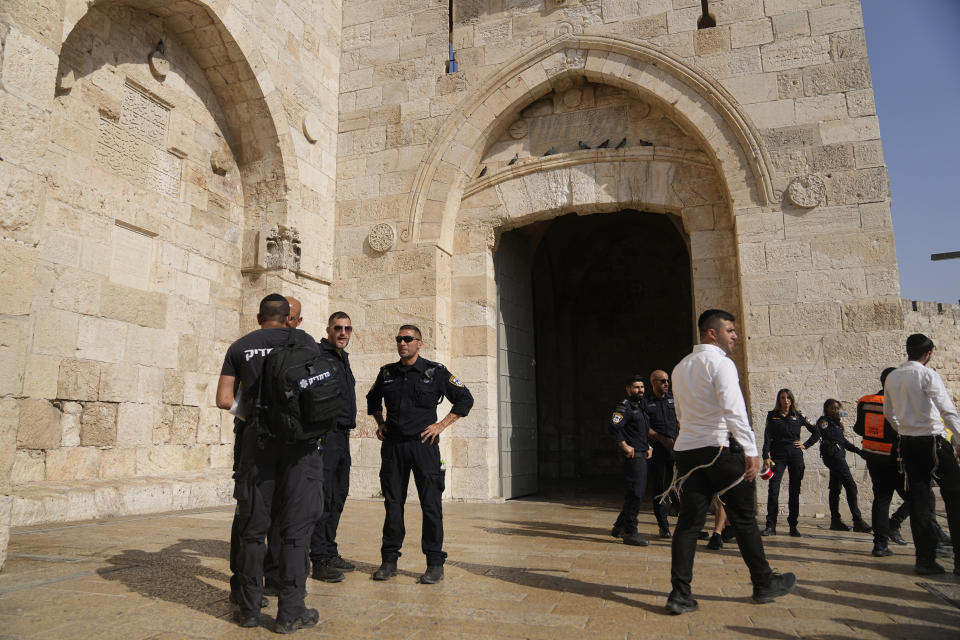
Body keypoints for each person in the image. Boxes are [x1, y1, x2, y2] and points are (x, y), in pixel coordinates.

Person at [664, 309, 795, 614]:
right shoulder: (721, 364)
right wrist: (751, 450)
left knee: (688, 524)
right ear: (713, 333)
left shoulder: (680, 367)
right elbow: (734, 410)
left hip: (688, 451)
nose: (735, 335)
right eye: (730, 330)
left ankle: (679, 593)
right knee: (745, 518)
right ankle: (763, 583)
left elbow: (680, 413)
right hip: (720, 450)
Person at [216, 294, 324, 633]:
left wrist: (255, 417)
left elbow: (222, 399)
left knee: (252, 529)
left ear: (259, 315)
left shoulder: (240, 347)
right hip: (300, 448)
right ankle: (291, 612)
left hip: (257, 445)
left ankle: (248, 610)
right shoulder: (305, 342)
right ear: (289, 317)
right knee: (295, 530)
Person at [367, 324, 474, 584]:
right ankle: (389, 561)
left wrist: (440, 425)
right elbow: (372, 400)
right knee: (393, 504)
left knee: (431, 506)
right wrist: (380, 423)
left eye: (408, 339)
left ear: (419, 343)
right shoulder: (387, 373)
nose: (403, 343)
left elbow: (465, 399)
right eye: (399, 339)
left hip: (424, 447)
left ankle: (435, 563)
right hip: (393, 448)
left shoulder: (435, 372)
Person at [883, 333, 960, 575]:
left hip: (908, 443)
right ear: (927, 354)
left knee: (919, 502)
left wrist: (903, 429)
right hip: (933, 442)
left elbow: (889, 413)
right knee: (955, 499)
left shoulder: (893, 377)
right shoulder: (927, 374)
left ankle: (925, 560)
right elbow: (947, 410)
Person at [310, 311, 358, 582]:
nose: (343, 333)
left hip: (343, 436)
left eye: (347, 329)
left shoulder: (342, 359)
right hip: (326, 435)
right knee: (325, 497)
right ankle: (319, 558)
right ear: (328, 330)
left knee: (339, 495)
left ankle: (329, 549)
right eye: (338, 328)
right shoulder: (319, 356)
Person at [855, 367, 909, 557]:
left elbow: (858, 429)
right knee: (919, 498)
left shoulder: (865, 401)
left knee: (881, 499)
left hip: (873, 457)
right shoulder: (899, 404)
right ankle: (898, 526)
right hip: (896, 459)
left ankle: (880, 545)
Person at [760, 389, 818, 537]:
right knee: (773, 490)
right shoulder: (772, 416)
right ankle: (770, 525)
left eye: (788, 398)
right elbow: (767, 437)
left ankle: (793, 525)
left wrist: (806, 444)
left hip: (795, 455)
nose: (785, 400)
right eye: (782, 398)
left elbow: (817, 431)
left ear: (791, 400)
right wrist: (765, 455)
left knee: (794, 491)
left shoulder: (798, 415)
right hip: (777, 456)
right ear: (778, 400)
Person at [811, 399, 871, 533]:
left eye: (838, 409)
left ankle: (835, 521)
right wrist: (836, 421)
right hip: (834, 458)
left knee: (835, 488)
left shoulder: (836, 424)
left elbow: (843, 442)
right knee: (851, 485)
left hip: (837, 457)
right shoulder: (824, 421)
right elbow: (828, 435)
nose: (836, 411)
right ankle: (857, 520)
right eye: (833, 408)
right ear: (827, 409)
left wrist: (859, 451)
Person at [609, 375, 654, 547]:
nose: (640, 390)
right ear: (628, 389)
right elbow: (614, 427)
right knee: (636, 494)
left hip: (643, 454)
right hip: (633, 458)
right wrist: (624, 445)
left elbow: (641, 431)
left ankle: (619, 526)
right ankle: (630, 532)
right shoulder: (624, 408)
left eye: (642, 387)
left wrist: (649, 446)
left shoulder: (642, 407)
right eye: (636, 387)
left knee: (635, 493)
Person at [646, 370, 679, 538]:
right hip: (658, 450)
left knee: (682, 486)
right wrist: (660, 438)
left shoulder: (674, 399)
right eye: (662, 381)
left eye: (667, 381)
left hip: (677, 448)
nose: (666, 383)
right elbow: (644, 427)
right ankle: (663, 526)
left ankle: (688, 526)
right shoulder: (646, 403)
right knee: (660, 488)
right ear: (654, 383)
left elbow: (681, 419)